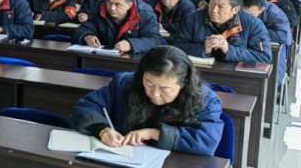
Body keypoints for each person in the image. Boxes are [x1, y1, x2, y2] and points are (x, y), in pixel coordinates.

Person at [71, 46, 223, 156]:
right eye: (149, 83)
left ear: (184, 84)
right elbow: (87, 106)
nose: (155, 94)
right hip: (121, 160)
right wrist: (102, 130)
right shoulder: (124, 83)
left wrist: (155, 133)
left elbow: (207, 142)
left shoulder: (205, 100)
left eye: (165, 89)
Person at [174, 0, 272, 64]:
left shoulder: (252, 24)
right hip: (200, 73)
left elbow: (264, 57)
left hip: (236, 76)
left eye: (221, 7)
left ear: (236, 9)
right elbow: (177, 46)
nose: (214, 10)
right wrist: (203, 48)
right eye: (212, 4)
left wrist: (229, 49)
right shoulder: (193, 19)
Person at [73, 0, 162, 53]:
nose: (112, 8)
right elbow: (82, 29)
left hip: (133, 61)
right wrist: (87, 36)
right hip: (103, 56)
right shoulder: (100, 8)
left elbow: (155, 40)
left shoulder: (145, 14)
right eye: (109, 2)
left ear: (129, 5)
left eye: (117, 4)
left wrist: (131, 44)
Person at [242, 0, 292, 84]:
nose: (246, 18)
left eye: (251, 15)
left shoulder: (275, 13)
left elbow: (285, 37)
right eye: (244, 13)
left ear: (261, 10)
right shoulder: (237, 8)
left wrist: (258, 31)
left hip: (270, 52)